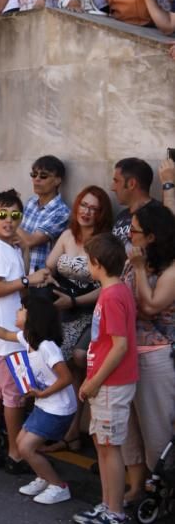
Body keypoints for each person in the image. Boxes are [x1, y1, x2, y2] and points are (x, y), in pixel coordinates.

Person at [0, 295, 76, 505]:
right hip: (45, 405)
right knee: (22, 444)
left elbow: (67, 378)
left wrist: (43, 393)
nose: (17, 311)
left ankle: (59, 486)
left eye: (21, 309)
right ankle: (43, 477)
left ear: (33, 317)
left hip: (57, 408)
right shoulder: (27, 338)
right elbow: (4, 334)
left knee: (26, 447)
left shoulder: (47, 347)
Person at [0, 189, 49, 474]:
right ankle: (16, 453)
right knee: (12, 394)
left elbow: (12, 282)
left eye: (15, 215)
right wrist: (30, 278)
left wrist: (26, 255)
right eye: (3, 215)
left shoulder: (6, 246)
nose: (9, 220)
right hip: (5, 333)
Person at [41, 186, 113, 453]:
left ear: (102, 213)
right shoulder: (67, 235)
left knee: (77, 362)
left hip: (88, 311)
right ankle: (64, 431)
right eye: (84, 205)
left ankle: (73, 432)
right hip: (62, 308)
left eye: (94, 208)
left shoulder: (104, 243)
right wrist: (49, 283)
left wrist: (74, 301)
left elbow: (106, 284)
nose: (87, 211)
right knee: (60, 366)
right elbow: (48, 267)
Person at [73, 234, 138, 524]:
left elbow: (119, 345)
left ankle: (115, 512)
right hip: (108, 383)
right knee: (103, 445)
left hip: (110, 384)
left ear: (97, 264)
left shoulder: (112, 296)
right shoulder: (116, 291)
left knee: (109, 448)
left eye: (88, 261)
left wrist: (95, 380)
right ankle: (107, 505)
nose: (87, 265)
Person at [120, 205, 175, 506]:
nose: (129, 233)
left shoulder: (170, 269)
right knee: (129, 428)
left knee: (156, 430)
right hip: (125, 352)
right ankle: (136, 486)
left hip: (157, 355)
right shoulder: (134, 260)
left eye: (135, 229)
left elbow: (151, 306)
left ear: (152, 236)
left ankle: (162, 490)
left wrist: (139, 268)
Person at [17, 155, 70, 274]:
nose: (37, 179)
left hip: (39, 278)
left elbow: (30, 241)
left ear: (58, 180)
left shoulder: (61, 212)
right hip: (17, 271)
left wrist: (8, 218)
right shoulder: (30, 202)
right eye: (34, 175)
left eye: (43, 176)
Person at [111, 157, 162, 249]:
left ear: (131, 184)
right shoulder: (121, 216)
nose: (113, 187)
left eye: (116, 181)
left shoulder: (158, 214)